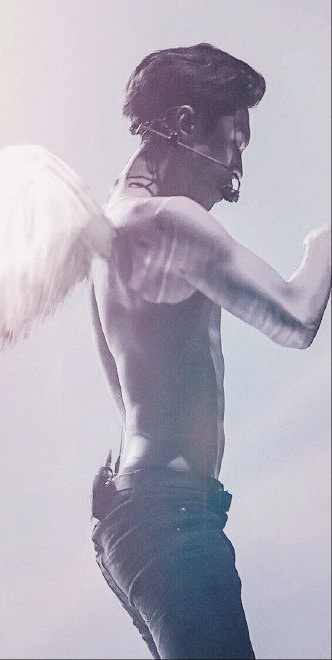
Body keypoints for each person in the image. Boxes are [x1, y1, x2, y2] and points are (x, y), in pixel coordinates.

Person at [90, 44, 331, 660]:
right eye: (235, 141)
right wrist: (325, 241)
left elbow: (125, 386)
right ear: (185, 123)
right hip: (168, 515)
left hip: (139, 514)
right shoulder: (165, 221)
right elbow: (295, 319)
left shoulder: (109, 227)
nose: (236, 168)